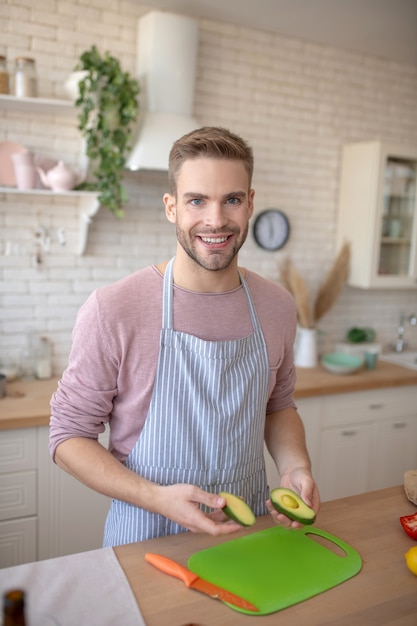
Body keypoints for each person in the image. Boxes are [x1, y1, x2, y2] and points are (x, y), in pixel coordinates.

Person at [49, 126, 320, 546]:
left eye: (231, 199)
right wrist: (156, 498)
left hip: (245, 537)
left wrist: (296, 466)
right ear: (171, 207)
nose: (215, 220)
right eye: (197, 200)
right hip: (145, 538)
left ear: (250, 204)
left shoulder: (277, 306)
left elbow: (278, 407)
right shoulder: (114, 308)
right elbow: (68, 437)